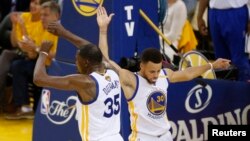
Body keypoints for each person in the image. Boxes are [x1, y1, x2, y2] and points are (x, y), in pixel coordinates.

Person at [97, 6, 231, 141]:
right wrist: (103, 30)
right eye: (151, 71)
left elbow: (188, 73)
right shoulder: (131, 80)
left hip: (166, 136)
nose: (155, 75)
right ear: (141, 66)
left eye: (157, 70)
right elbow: (106, 62)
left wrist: (211, 65)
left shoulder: (164, 75)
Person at [33, 8, 124, 141]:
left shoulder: (85, 82)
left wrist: (43, 53)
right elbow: (93, 50)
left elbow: (39, 79)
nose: (76, 63)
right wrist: (64, 33)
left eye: (77, 59)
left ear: (86, 62)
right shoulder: (113, 72)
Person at [5, 0, 60, 119]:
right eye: (41, 15)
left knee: (23, 66)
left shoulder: (59, 30)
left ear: (56, 16)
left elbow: (56, 55)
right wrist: (32, 49)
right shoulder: (42, 28)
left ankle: (37, 110)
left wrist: (35, 48)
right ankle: (25, 107)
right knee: (19, 65)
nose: (42, 18)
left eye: (45, 15)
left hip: (53, 70)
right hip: (40, 65)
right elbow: (33, 54)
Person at [197, 0, 250, 82]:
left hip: (236, 12)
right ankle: (224, 90)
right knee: (220, 60)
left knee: (238, 59)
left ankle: (243, 89)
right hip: (214, 13)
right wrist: (199, 16)